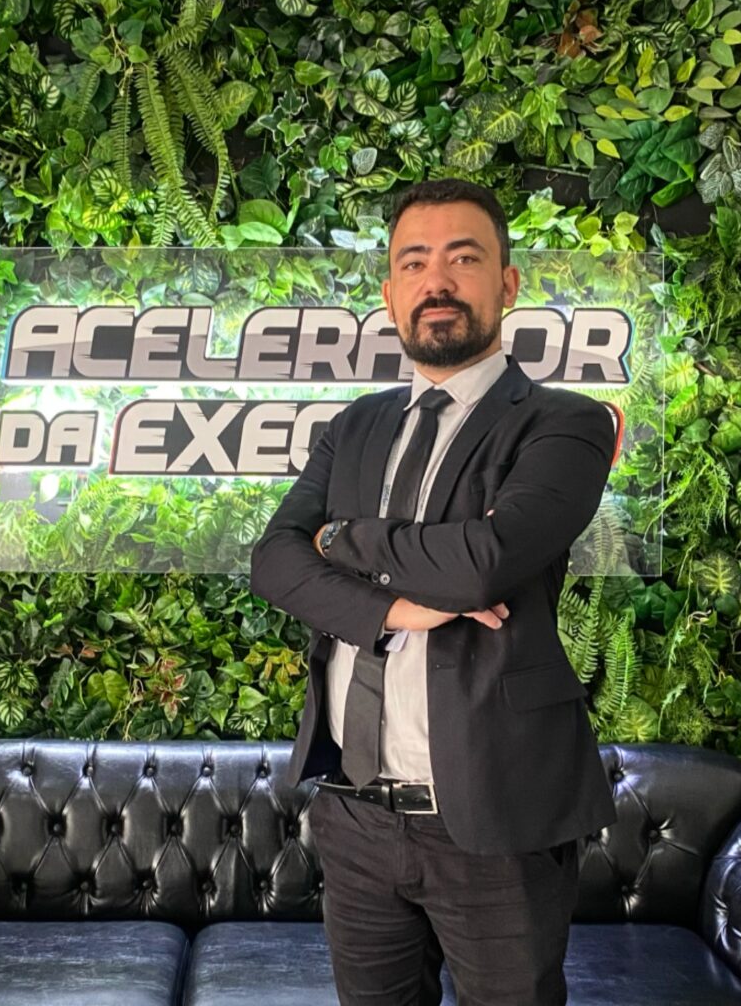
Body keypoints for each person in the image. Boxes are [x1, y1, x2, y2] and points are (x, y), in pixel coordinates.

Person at [248, 177, 617, 1006]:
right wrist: (391, 610)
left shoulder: (564, 423)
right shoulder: (354, 427)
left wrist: (341, 539)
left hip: (495, 817)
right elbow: (273, 562)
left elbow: (483, 562)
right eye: (413, 263)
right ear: (390, 295)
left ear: (507, 284)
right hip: (355, 816)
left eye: (463, 258)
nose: (436, 281)